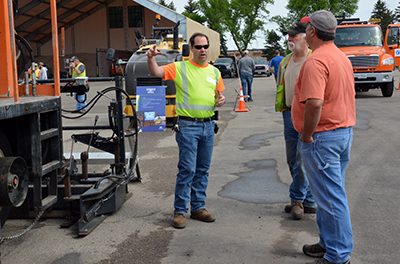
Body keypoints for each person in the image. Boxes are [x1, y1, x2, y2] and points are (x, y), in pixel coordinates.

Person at [292, 10, 356, 264]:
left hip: (323, 137)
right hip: (341, 134)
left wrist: (307, 136)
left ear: (311, 32)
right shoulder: (340, 57)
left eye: (306, 28)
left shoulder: (316, 61)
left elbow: (315, 103)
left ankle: (338, 255)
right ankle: (329, 244)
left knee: (331, 199)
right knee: (326, 195)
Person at [146, 32, 226, 229]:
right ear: (191, 48)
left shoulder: (214, 72)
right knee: (187, 170)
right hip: (188, 126)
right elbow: (156, 72)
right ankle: (180, 211)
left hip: (208, 126)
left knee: (202, 170)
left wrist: (221, 99)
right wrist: (150, 59)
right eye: (198, 47)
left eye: (205, 46)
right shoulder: (180, 68)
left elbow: (219, 94)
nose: (203, 50)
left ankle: (198, 208)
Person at [276, 22, 316, 220]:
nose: (289, 39)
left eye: (294, 36)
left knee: (302, 159)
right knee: (292, 159)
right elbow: (281, 87)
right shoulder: (285, 61)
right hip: (289, 114)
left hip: (307, 115)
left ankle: (297, 199)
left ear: (306, 37)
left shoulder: (314, 60)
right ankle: (308, 201)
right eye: (288, 36)